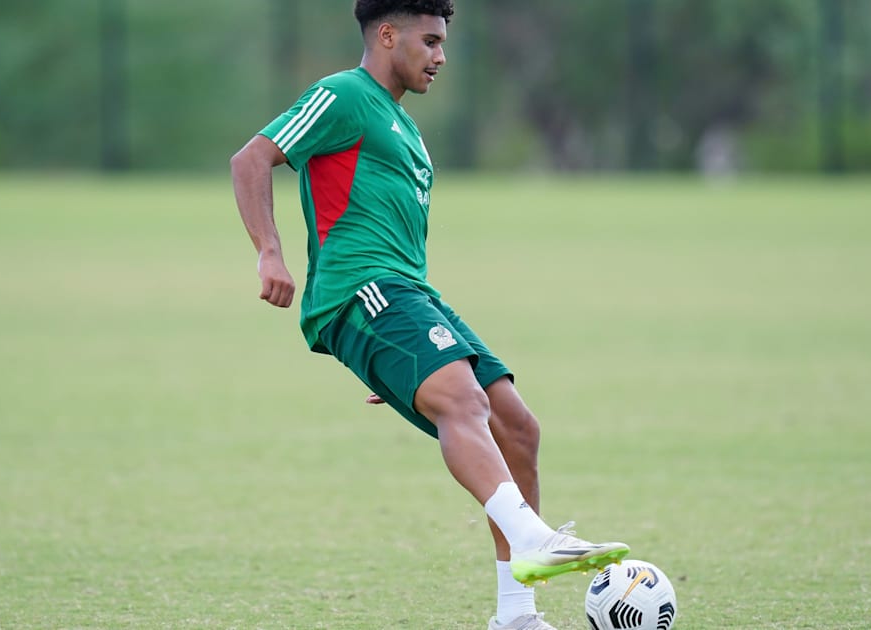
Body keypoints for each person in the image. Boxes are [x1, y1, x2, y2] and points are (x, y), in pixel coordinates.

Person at [230, 1, 629, 628]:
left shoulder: (408, 130)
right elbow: (250, 159)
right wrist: (269, 253)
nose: (441, 56)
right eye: (431, 41)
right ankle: (531, 537)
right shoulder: (344, 95)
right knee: (466, 403)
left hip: (409, 297)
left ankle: (517, 617)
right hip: (359, 290)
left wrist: (400, 365)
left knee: (518, 428)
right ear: (387, 35)